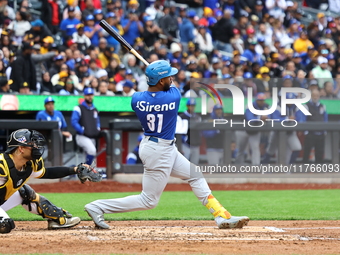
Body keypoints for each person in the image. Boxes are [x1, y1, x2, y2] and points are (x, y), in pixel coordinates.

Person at [85, 60, 249, 230]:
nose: (172, 78)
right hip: (159, 151)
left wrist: (157, 76)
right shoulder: (174, 95)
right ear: (161, 80)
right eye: (168, 76)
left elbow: (149, 92)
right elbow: (170, 86)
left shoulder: (136, 99)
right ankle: (98, 206)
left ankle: (221, 216)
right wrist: (159, 76)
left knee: (195, 174)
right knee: (148, 201)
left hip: (157, 147)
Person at [0, 129, 101, 233]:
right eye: (32, 144)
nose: (36, 147)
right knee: (4, 225)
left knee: (25, 192)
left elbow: (47, 173)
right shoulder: (2, 165)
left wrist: (76, 169)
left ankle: (56, 219)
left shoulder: (29, 164)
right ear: (21, 148)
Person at [296, 89, 328, 164]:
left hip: (321, 133)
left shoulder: (322, 106)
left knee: (320, 152)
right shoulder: (306, 106)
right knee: (307, 151)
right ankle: (304, 169)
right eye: (314, 95)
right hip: (310, 133)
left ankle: (319, 169)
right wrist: (305, 131)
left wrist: (325, 130)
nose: (315, 97)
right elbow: (303, 118)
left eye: (317, 95)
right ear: (311, 96)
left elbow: (325, 118)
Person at [71, 87, 101, 165]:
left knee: (93, 158)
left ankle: (87, 172)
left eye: (91, 95)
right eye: (88, 95)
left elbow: (97, 121)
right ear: (84, 96)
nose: (90, 97)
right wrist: (82, 130)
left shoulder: (95, 109)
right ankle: (85, 169)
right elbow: (74, 122)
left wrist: (97, 129)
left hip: (93, 137)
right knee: (92, 151)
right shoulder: (78, 108)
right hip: (82, 136)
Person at [178, 99, 201, 165]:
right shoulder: (181, 117)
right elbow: (178, 132)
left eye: (193, 106)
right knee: (184, 164)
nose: (192, 107)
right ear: (187, 106)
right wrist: (183, 140)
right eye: (190, 105)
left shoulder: (197, 117)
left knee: (195, 165)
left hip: (195, 144)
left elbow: (199, 132)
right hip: (185, 144)